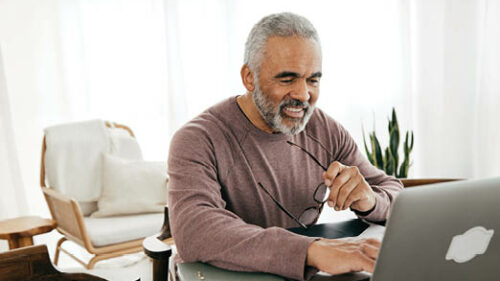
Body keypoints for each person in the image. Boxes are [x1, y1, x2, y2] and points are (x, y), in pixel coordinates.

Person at [167, 12, 403, 281]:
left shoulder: (324, 128)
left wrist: (370, 200)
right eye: (287, 79)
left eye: (313, 79)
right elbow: (195, 231)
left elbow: (394, 192)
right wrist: (312, 251)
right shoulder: (197, 139)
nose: (303, 95)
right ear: (249, 78)